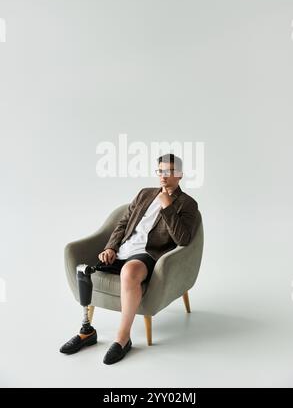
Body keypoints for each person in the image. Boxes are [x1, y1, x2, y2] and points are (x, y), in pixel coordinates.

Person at [60, 153, 199, 364]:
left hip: (149, 254)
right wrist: (110, 247)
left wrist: (168, 206)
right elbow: (123, 224)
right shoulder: (145, 194)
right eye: (161, 171)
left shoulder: (187, 204)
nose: (164, 176)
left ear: (179, 175)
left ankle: (123, 339)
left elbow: (183, 239)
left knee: (130, 272)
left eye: (170, 172)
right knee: (83, 270)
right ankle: (87, 330)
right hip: (123, 250)